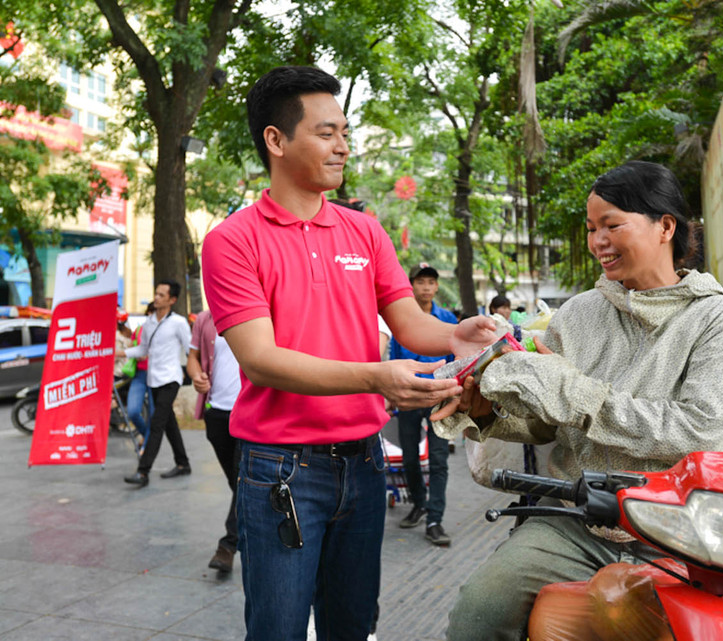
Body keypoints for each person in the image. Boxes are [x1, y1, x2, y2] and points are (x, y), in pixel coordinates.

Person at [199, 65, 496, 641]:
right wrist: (375, 378)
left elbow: (408, 321)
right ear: (276, 140)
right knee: (278, 629)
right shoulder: (233, 240)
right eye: (327, 132)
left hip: (361, 464)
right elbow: (259, 357)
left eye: (344, 132)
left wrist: (462, 335)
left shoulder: (364, 231)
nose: (343, 147)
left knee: (353, 626)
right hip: (280, 468)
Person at [437, 160, 723, 641]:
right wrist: (486, 414)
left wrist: (567, 389)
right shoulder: (578, 314)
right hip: (574, 520)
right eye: (591, 228)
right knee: (477, 613)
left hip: (682, 530)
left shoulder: (721, 320)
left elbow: (698, 430)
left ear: (666, 226)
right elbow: (547, 426)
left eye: (612, 225)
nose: (597, 241)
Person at [389, 262, 458, 546]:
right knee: (409, 457)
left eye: (431, 282)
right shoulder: (401, 320)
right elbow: (394, 356)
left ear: (437, 287)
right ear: (412, 285)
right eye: (421, 282)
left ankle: (434, 519)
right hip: (409, 395)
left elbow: (457, 359)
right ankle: (418, 503)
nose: (426, 287)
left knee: (440, 459)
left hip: (440, 395)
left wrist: (456, 393)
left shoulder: (448, 319)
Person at [186, 309, 242, 573]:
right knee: (238, 484)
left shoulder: (265, 309)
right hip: (217, 411)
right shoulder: (206, 319)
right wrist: (196, 375)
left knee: (243, 482)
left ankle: (228, 545)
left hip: (250, 413)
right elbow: (193, 357)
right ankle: (253, 526)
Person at [121, 281, 193, 487]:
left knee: (156, 423)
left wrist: (199, 372)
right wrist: (120, 353)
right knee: (169, 423)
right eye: (156, 293)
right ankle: (183, 463)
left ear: (172, 300)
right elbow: (142, 349)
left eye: (162, 295)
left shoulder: (178, 323)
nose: (157, 297)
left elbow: (190, 349)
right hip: (153, 380)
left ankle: (143, 471)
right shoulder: (149, 322)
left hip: (171, 379)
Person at [125, 303, 156, 449]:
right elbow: (132, 347)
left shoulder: (163, 329)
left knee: (153, 414)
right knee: (133, 411)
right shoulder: (139, 329)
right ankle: (147, 436)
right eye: (151, 313)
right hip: (140, 374)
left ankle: (146, 448)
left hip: (156, 374)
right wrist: (136, 353)